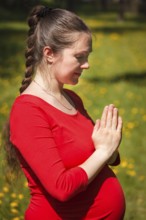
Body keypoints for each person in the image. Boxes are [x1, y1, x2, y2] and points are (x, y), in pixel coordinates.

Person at [8, 5, 126, 220]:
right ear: (49, 54)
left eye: (87, 56)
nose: (87, 65)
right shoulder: (27, 111)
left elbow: (103, 155)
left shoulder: (73, 99)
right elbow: (61, 187)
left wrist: (111, 145)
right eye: (79, 57)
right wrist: (102, 152)